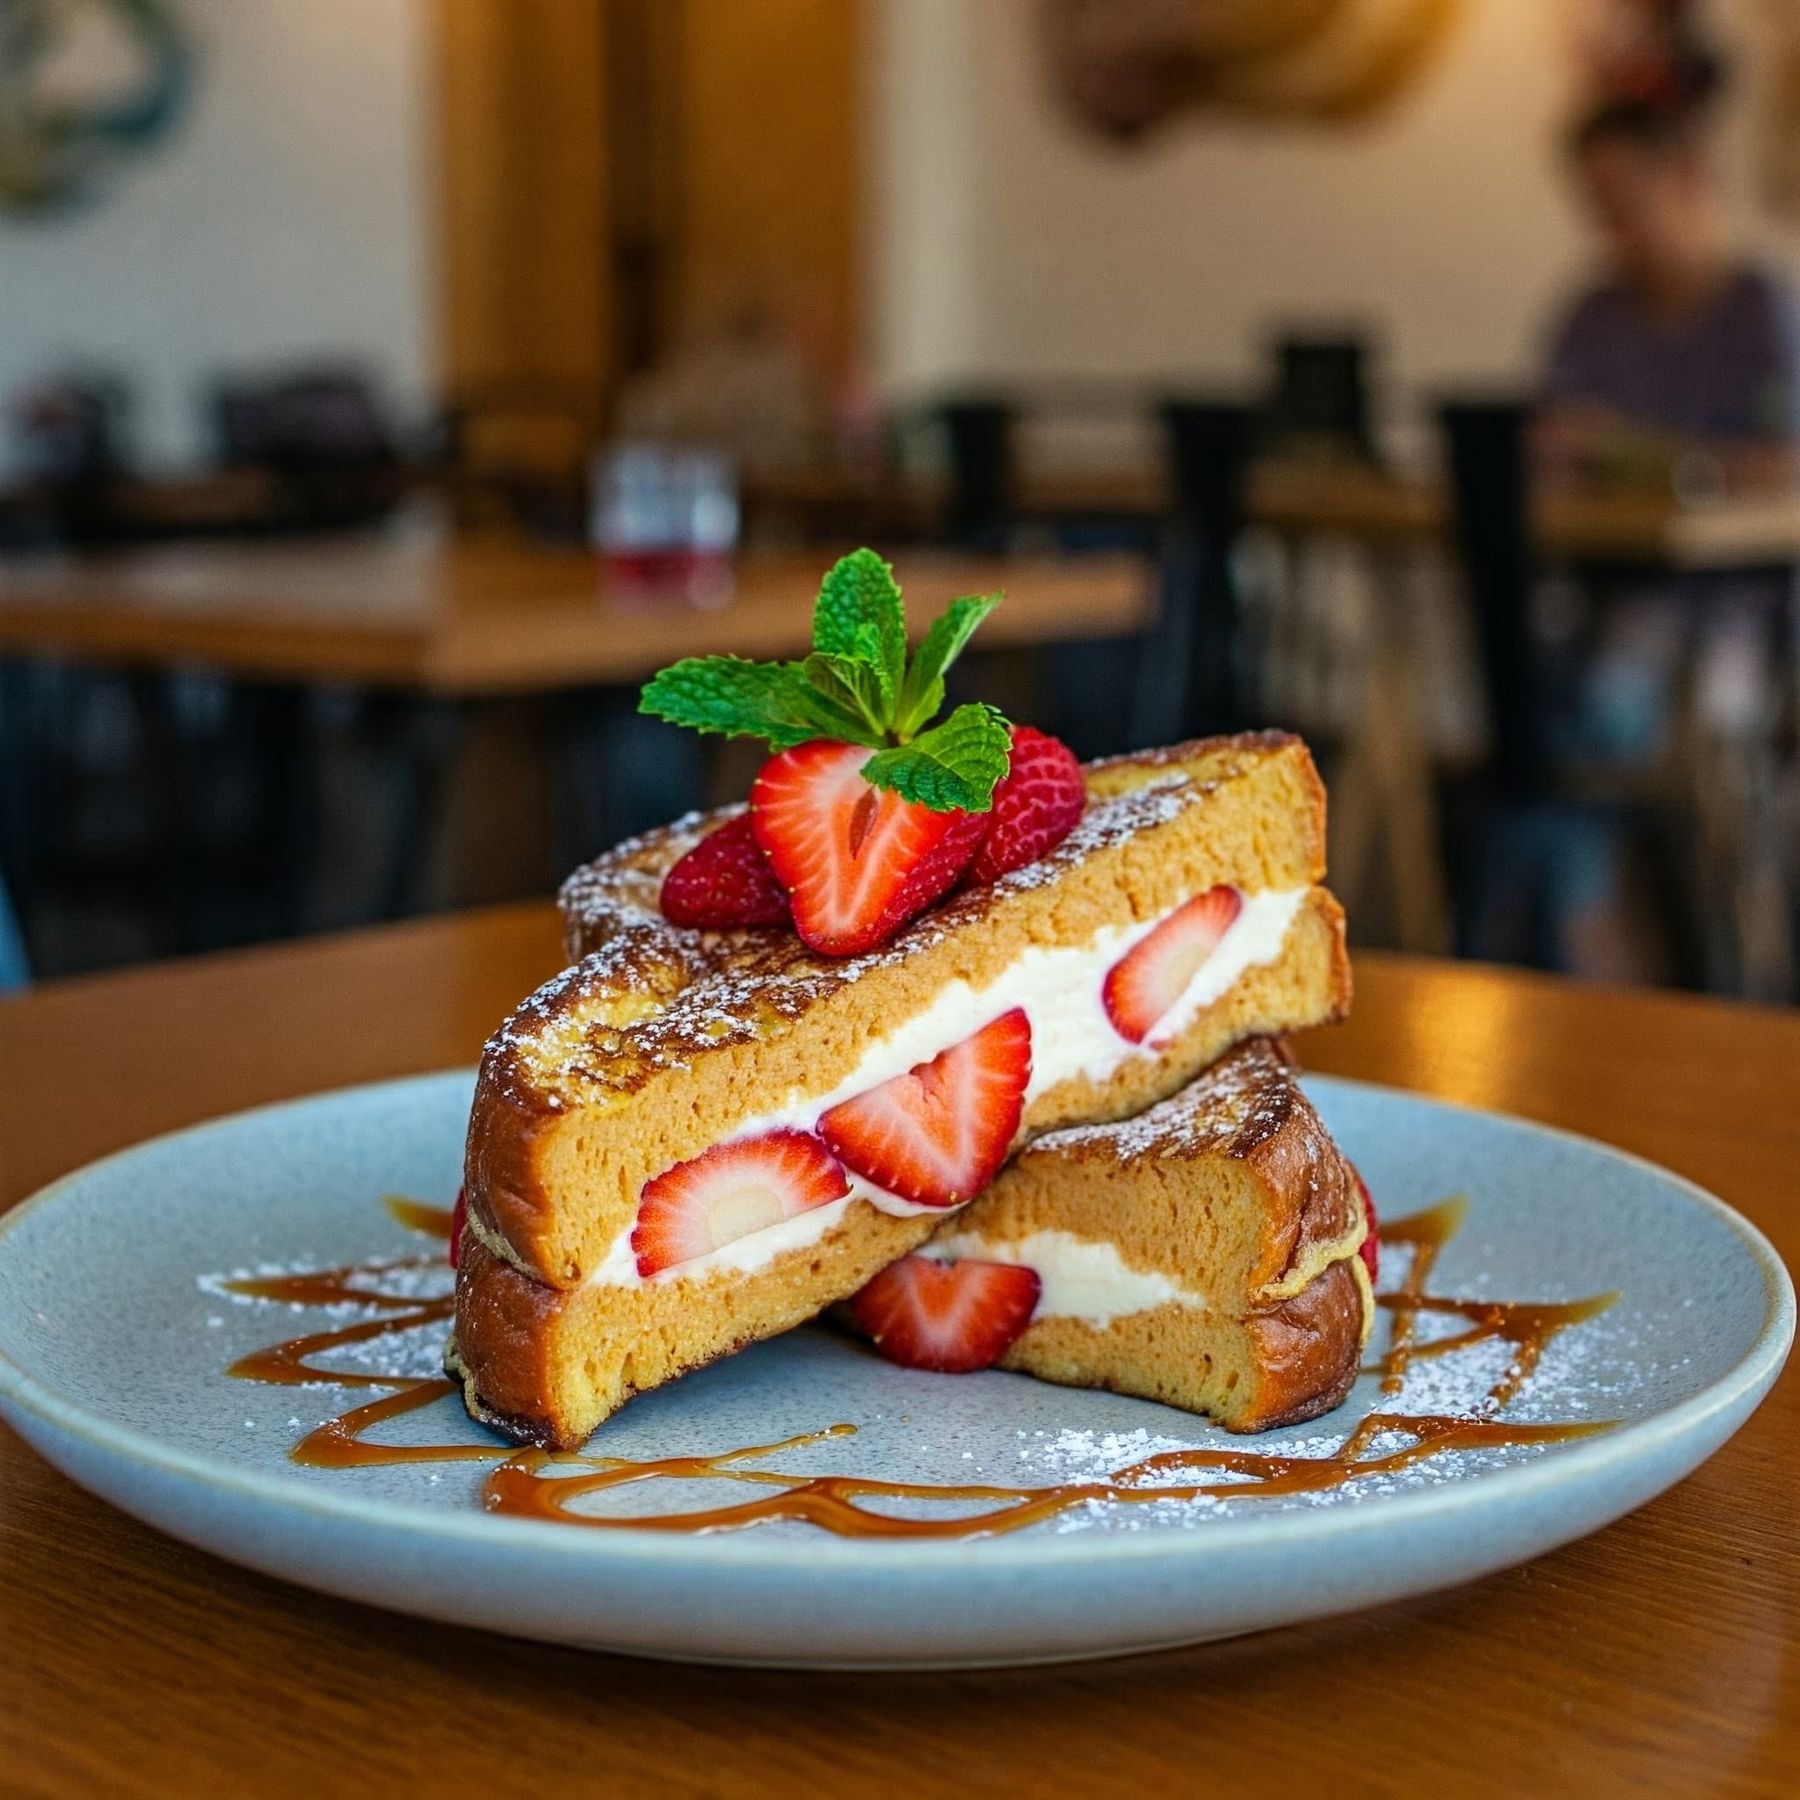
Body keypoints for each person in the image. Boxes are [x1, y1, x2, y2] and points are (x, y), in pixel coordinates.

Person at [1539, 97, 1800, 496]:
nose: (1615, 229)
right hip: (1609, 551)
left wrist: (1626, 451)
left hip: (1738, 557)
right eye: (1600, 208)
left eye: (1627, 202)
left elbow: (1782, 470)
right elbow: (1551, 449)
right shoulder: (1594, 316)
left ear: (1686, 178)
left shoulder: (1763, 311)